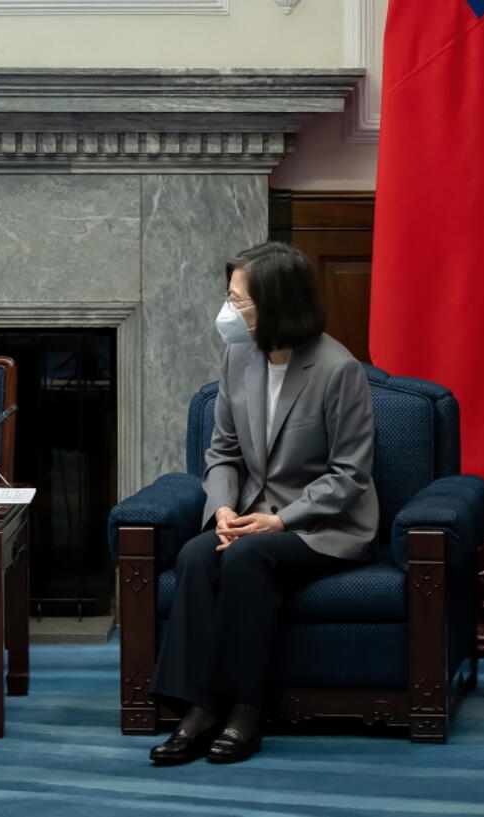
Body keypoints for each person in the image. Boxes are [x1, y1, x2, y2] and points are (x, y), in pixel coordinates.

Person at [149, 241, 378, 765]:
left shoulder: (338, 370)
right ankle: (198, 706)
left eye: (239, 301)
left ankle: (245, 712)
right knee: (194, 554)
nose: (228, 312)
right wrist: (224, 510)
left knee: (249, 557)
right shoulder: (238, 356)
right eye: (228, 297)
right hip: (251, 515)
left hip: (323, 525)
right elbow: (223, 451)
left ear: (277, 303)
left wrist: (280, 520)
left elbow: (351, 475)